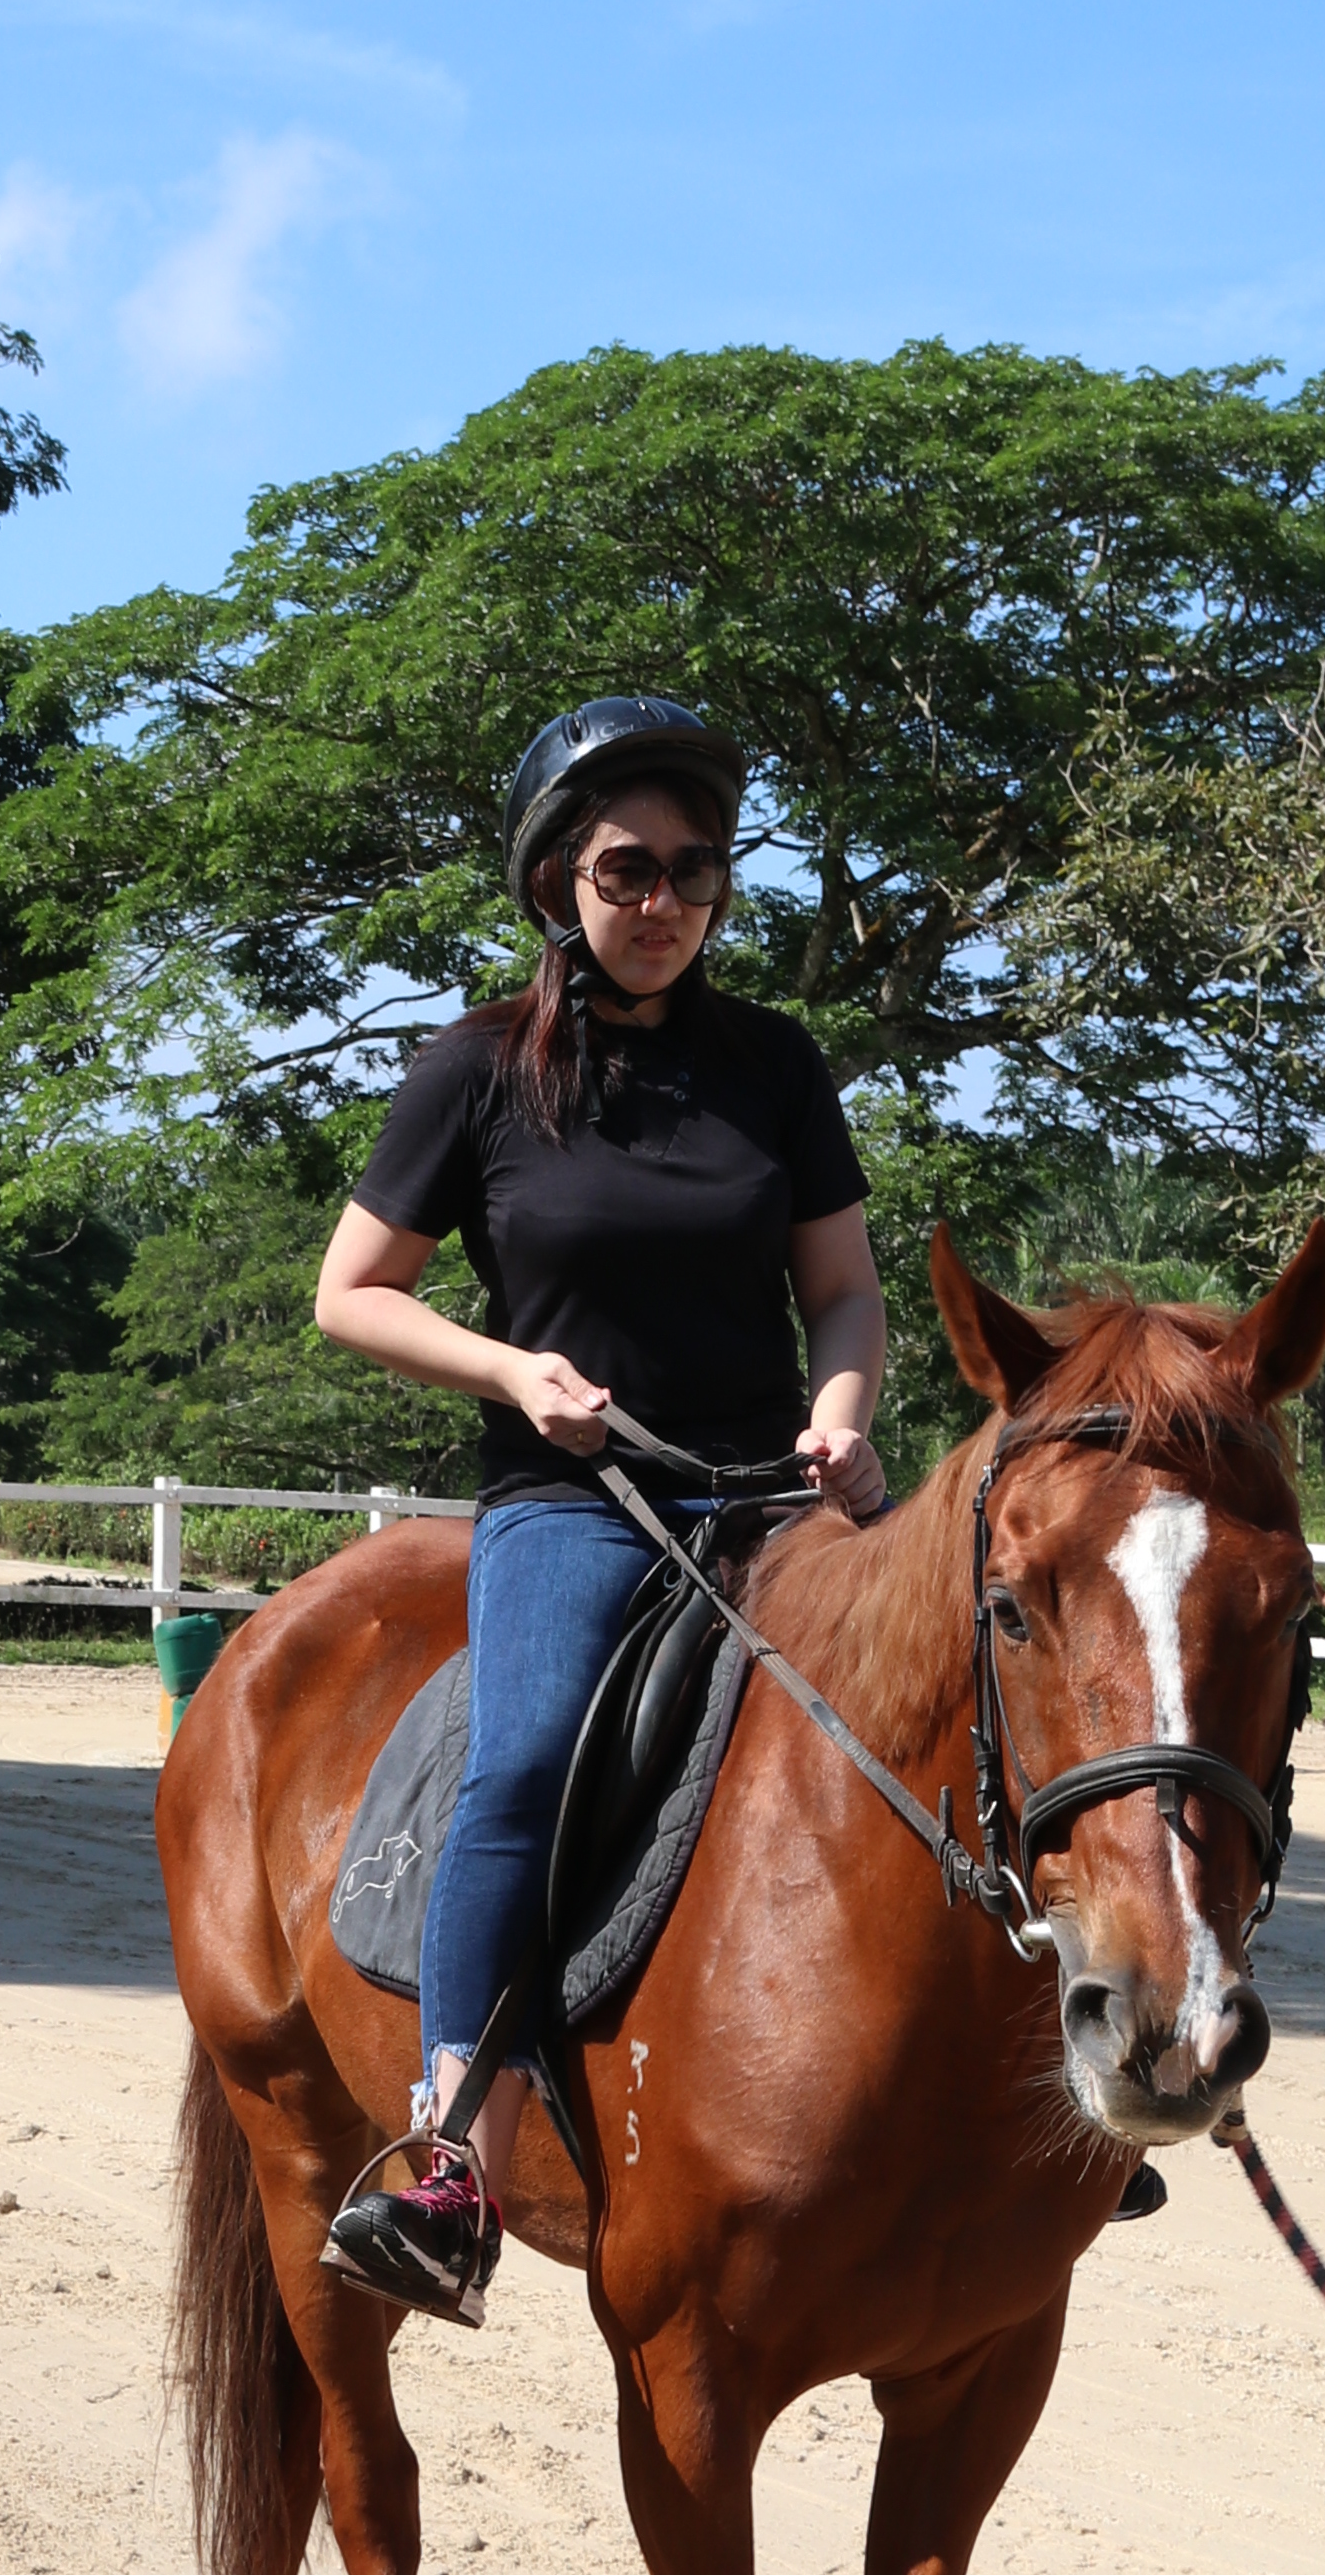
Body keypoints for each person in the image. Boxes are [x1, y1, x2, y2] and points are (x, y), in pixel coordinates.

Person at [306, 693, 892, 2320]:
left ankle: (1048, 2078)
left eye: (698, 872)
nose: (667, 904)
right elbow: (352, 1294)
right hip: (580, 1489)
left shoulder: (774, 1067)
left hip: (777, 1486)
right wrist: (511, 1372)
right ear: (560, 875)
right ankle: (452, 2159)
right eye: (632, 869)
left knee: (968, 1690)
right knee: (529, 1755)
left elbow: (844, 1296)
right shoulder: (478, 1070)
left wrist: (842, 1418)